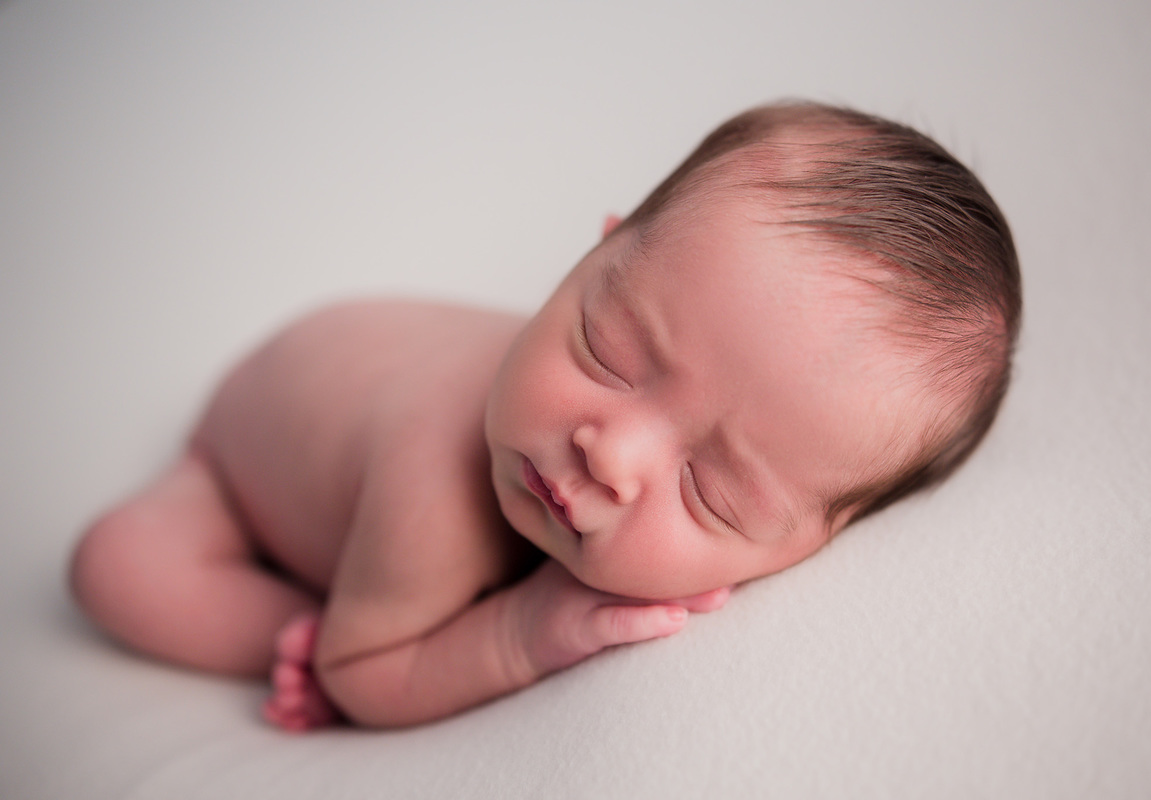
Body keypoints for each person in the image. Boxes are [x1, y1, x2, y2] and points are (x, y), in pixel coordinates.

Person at [68, 101, 1021, 731]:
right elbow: (367, 680)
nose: (611, 455)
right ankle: (323, 609)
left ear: (812, 544)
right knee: (115, 569)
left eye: (712, 491)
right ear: (590, 257)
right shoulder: (432, 492)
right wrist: (519, 631)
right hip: (243, 456)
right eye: (605, 351)